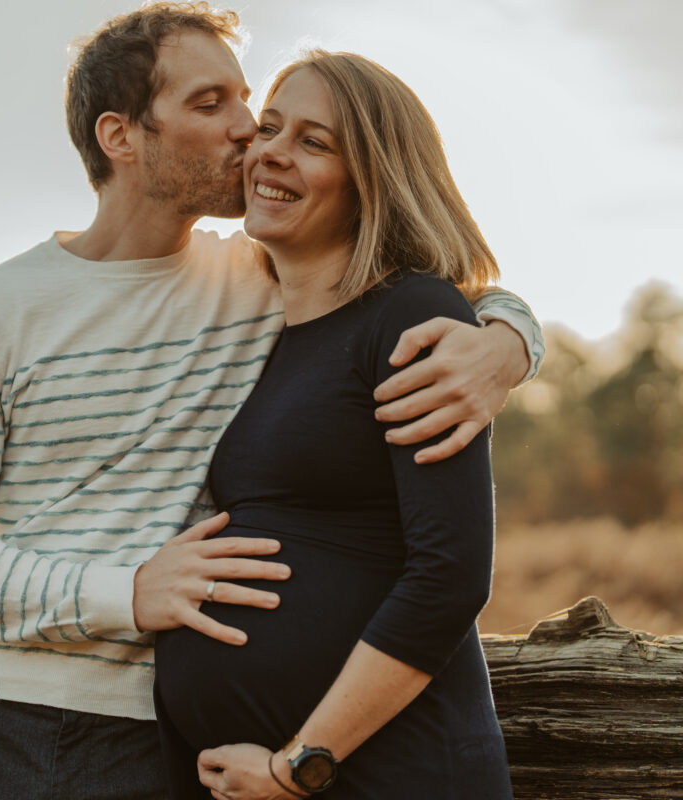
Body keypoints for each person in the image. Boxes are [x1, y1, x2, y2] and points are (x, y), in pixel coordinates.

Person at [0, 5, 541, 798]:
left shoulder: (256, 278)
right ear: (121, 136)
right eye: (213, 106)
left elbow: (421, 282)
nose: (248, 133)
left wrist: (508, 342)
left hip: (165, 745)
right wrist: (125, 592)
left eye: (248, 105)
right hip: (6, 725)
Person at [153, 50, 516, 799]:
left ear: (373, 180)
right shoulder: (258, 333)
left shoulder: (412, 316)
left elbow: (449, 577)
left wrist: (300, 764)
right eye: (272, 127)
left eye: (314, 143)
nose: (271, 152)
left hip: (389, 773)